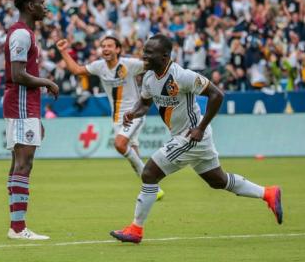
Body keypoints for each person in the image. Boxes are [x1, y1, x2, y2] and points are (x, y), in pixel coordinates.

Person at [110, 34, 283, 244]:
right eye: (144, 51)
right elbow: (145, 104)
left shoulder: (182, 76)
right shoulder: (148, 77)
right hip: (190, 137)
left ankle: (135, 229)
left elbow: (217, 94)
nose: (144, 56)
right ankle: (268, 193)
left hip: (190, 136)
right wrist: (133, 113)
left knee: (149, 174)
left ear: (164, 56)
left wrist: (201, 128)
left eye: (149, 53)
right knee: (218, 181)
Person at [56, 37, 164, 199]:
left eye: (110, 46)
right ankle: (150, 189)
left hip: (134, 113)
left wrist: (160, 55)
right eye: (103, 46)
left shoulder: (130, 64)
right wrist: (63, 51)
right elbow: (77, 70)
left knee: (120, 144)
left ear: (118, 49)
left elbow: (154, 65)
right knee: (132, 151)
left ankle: (152, 184)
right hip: (116, 118)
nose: (106, 49)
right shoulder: (99, 66)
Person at [3, 0, 59, 240]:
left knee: (19, 163)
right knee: (23, 164)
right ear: (29, 6)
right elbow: (17, 75)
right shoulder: (21, 35)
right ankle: (18, 227)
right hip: (21, 104)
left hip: (26, 106)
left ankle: (16, 225)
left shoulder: (24, 34)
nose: (45, 7)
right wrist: (46, 81)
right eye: (41, 2)